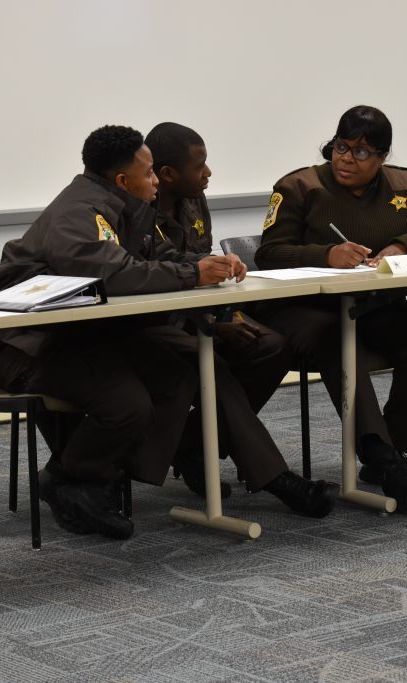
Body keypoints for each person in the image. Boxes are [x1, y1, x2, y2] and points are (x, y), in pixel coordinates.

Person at [0, 125, 337, 539]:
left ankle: (105, 476)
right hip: (24, 343)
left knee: (182, 375)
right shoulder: (80, 213)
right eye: (148, 173)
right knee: (129, 403)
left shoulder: (125, 205)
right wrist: (191, 273)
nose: (154, 181)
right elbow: (112, 274)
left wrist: (209, 266)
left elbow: (157, 255)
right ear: (122, 179)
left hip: (82, 336)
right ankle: (70, 477)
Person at [255, 105, 407, 512]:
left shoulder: (405, 185)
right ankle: (383, 460)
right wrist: (325, 254)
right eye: (340, 147)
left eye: (361, 152)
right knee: (340, 343)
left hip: (374, 304)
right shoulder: (298, 187)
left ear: (384, 157)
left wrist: (404, 245)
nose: (346, 159)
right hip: (309, 310)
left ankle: (394, 449)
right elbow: (269, 254)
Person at [144, 122, 292, 495]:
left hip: (199, 314)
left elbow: (199, 261)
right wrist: (213, 323)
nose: (208, 173)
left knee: (272, 345)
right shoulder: (137, 210)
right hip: (156, 324)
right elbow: (152, 282)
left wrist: (226, 285)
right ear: (167, 174)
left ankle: (194, 442)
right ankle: (265, 473)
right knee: (212, 362)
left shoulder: (193, 198)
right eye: (200, 166)